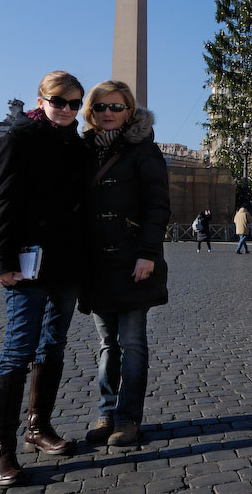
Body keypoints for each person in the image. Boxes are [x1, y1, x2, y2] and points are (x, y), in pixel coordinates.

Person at [0, 72, 88, 486]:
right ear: (41, 99)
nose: (66, 109)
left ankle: (38, 427)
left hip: (66, 262)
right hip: (26, 260)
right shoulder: (19, 138)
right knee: (18, 347)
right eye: (59, 101)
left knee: (53, 343)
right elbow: (3, 201)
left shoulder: (78, 146)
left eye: (75, 103)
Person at [78, 80, 170, 448]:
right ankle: (105, 412)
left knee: (131, 342)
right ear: (92, 112)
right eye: (101, 107)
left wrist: (147, 253)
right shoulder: (83, 151)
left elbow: (157, 206)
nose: (108, 114)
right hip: (97, 263)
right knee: (106, 344)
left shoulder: (146, 152)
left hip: (134, 260)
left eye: (116, 107)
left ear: (129, 111)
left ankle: (128, 417)